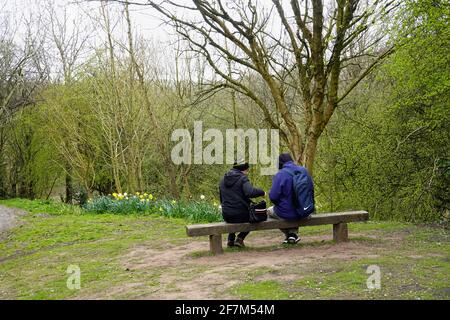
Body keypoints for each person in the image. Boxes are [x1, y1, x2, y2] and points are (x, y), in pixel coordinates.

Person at [268, 153, 315, 244]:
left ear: (280, 164)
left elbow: (273, 197)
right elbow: (311, 189)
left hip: (286, 213)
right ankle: (292, 235)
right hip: (305, 211)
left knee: (269, 211)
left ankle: (290, 234)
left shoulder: (280, 175)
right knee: (293, 211)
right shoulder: (304, 171)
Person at [219, 160, 265, 248]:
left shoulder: (223, 179)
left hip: (226, 214)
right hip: (240, 215)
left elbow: (221, 198)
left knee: (234, 211)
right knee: (255, 217)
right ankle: (240, 238)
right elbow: (250, 192)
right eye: (247, 171)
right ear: (244, 170)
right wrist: (262, 192)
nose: (247, 173)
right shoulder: (242, 178)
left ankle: (230, 239)